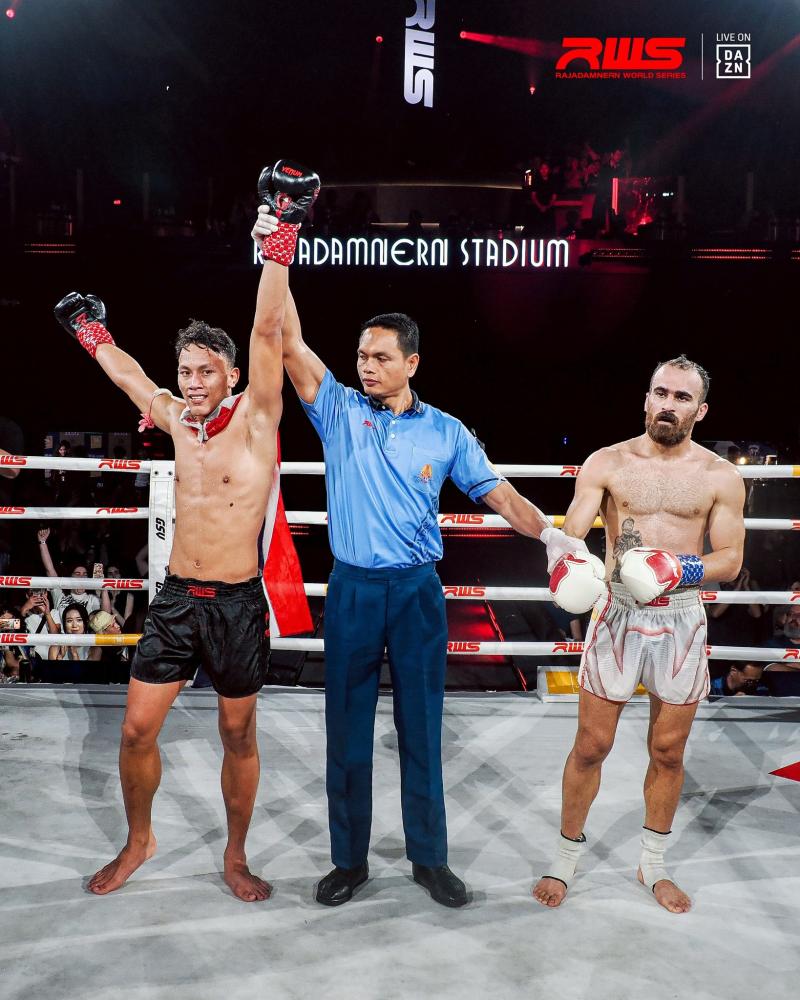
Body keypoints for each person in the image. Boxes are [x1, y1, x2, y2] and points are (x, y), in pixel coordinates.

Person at [251, 197, 586, 909]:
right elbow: (285, 337)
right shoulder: (338, 408)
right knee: (346, 732)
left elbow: (500, 495)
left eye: (380, 357)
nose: (366, 366)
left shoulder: (448, 431)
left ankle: (429, 860)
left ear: (411, 363)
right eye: (361, 356)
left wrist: (553, 535)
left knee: (422, 729)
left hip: (416, 593)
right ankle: (349, 861)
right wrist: (281, 244)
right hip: (352, 589)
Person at [52, 158, 318, 901]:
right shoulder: (175, 418)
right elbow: (129, 377)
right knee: (136, 731)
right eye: (186, 371)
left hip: (236, 604)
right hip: (176, 600)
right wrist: (90, 332)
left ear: (230, 375)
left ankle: (235, 855)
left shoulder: (258, 417)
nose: (193, 383)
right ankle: (139, 840)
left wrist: (280, 239)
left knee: (238, 736)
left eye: (206, 371)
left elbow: (268, 329)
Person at [535, 354, 745, 914]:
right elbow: (574, 531)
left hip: (680, 616)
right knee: (591, 745)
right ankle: (565, 858)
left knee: (668, 750)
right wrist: (566, 563)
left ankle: (653, 864)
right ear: (646, 398)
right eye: (661, 393)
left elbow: (729, 559)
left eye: (682, 397)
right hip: (618, 613)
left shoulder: (719, 477)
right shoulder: (606, 462)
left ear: (701, 410)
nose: (668, 405)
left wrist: (681, 567)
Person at [47, 601, 94, 684]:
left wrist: (75, 655)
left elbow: (85, 680)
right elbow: (54, 679)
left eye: (79, 620)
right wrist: (60, 657)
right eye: (69, 621)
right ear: (64, 624)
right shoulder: (55, 647)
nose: (74, 625)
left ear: (85, 622)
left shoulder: (93, 647)